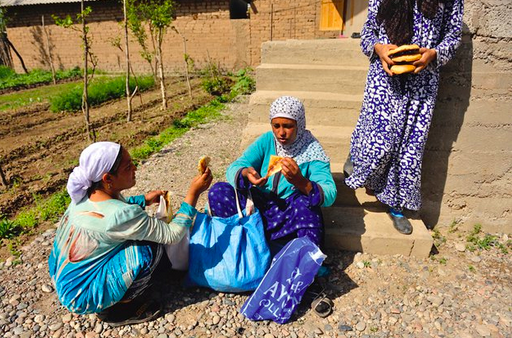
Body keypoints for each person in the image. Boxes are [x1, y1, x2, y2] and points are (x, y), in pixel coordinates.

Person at [48, 142, 212, 326]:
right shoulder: (121, 215)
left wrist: (143, 200)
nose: (135, 167)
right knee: (152, 249)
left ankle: (112, 294)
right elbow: (172, 235)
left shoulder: (84, 196)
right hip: (82, 295)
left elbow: (115, 209)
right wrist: (193, 194)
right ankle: (117, 310)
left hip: (65, 280)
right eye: (128, 166)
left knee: (140, 239)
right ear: (108, 178)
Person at [344, 0, 464, 234]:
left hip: (423, 81)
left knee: (409, 150)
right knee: (380, 144)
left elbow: (453, 34)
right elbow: (368, 31)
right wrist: (378, 49)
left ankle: (396, 207)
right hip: (384, 76)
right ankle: (358, 153)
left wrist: (434, 54)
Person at [208, 96, 337, 250]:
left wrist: (302, 182)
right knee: (219, 191)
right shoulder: (267, 141)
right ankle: (240, 251)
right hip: (258, 209)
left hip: (288, 214)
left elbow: (329, 193)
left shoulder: (312, 150)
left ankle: (298, 260)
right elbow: (236, 166)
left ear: (299, 125)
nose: (281, 133)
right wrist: (245, 173)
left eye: (288, 126)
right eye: (276, 126)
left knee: (306, 205)